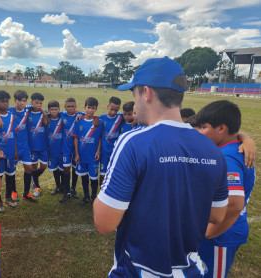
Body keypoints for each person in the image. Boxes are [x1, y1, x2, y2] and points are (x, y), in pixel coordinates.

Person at [93, 57, 229, 277]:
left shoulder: (133, 142)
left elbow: (104, 223)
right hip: (191, 269)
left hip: (139, 269)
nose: (135, 104)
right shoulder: (213, 149)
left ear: (146, 93)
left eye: (134, 95)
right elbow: (217, 215)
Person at [196, 100, 255, 278]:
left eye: (204, 127)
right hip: (218, 229)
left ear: (221, 128)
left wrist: (210, 232)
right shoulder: (230, 146)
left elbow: (233, 204)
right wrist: (245, 137)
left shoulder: (227, 158)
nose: (200, 132)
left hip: (221, 235)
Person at [8, 90, 38, 202]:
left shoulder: (27, 108)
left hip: (25, 146)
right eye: (19, 100)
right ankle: (13, 191)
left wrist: (45, 115)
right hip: (13, 146)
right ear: (15, 100)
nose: (22, 103)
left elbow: (39, 108)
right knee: (12, 170)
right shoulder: (10, 110)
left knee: (29, 168)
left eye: (24, 101)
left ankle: (26, 193)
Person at [74, 97, 102, 206]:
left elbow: (100, 138)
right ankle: (86, 195)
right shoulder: (79, 121)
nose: (90, 110)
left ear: (96, 109)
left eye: (93, 108)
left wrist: (98, 151)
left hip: (93, 157)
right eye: (88, 107)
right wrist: (76, 153)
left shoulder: (99, 122)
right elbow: (75, 138)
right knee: (84, 177)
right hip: (81, 156)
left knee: (94, 178)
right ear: (85, 107)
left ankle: (94, 196)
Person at [0, 90, 17, 211]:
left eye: (7, 101)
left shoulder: (12, 116)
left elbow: (14, 135)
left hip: (11, 153)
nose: (6, 104)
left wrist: (16, 151)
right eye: (3, 101)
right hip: (0, 153)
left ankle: (9, 197)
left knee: (11, 176)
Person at [60, 98, 82, 199]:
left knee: (75, 169)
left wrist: (82, 114)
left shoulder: (80, 116)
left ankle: (73, 188)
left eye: (72, 106)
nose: (70, 108)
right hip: (66, 149)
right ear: (64, 107)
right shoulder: (62, 115)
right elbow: (51, 113)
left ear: (75, 107)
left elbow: (89, 115)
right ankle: (66, 191)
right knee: (66, 170)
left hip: (76, 148)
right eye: (68, 106)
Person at [27, 93, 48, 197]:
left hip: (43, 146)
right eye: (36, 102)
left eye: (40, 103)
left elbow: (58, 113)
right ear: (31, 102)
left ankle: (33, 178)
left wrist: (44, 113)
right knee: (34, 167)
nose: (39, 105)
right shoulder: (27, 113)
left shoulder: (46, 114)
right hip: (32, 147)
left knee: (44, 167)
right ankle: (36, 186)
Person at [99, 97, 123, 186]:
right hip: (104, 152)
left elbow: (131, 115)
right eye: (111, 109)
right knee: (102, 175)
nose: (113, 112)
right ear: (108, 106)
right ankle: (101, 193)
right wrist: (80, 114)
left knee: (114, 174)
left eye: (116, 110)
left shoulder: (121, 117)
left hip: (115, 152)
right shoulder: (101, 118)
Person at [45, 101, 64, 201]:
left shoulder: (62, 118)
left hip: (61, 150)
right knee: (55, 169)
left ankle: (64, 187)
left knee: (63, 170)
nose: (54, 111)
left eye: (56, 109)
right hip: (51, 150)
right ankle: (58, 186)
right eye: (51, 110)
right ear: (48, 110)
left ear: (59, 110)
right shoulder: (46, 119)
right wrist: (45, 115)